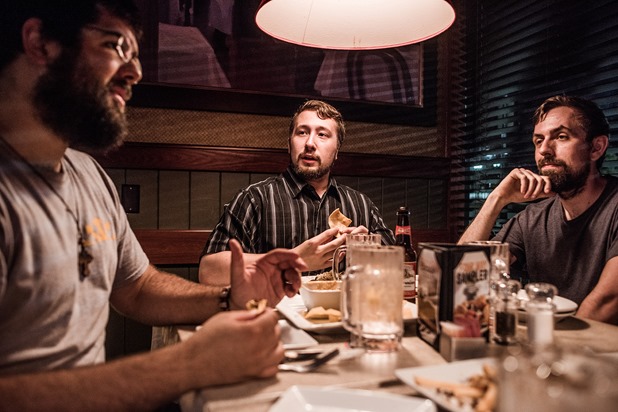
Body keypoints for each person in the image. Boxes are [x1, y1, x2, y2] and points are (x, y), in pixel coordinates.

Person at [0, 1, 308, 410]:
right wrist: (190, 364)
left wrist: (227, 298)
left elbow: (137, 288)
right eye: (116, 46)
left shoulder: (88, 175)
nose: (136, 72)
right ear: (40, 43)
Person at [459, 95, 618, 325]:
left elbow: (608, 300)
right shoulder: (531, 219)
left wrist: (554, 352)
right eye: (538, 140)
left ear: (596, 148)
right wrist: (496, 200)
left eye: (561, 137)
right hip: (546, 346)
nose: (544, 150)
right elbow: (462, 276)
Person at [199, 99, 395, 285]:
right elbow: (209, 272)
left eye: (322, 134)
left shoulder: (360, 204)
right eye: (302, 132)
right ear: (289, 144)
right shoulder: (255, 199)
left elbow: (399, 266)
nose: (310, 143)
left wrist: (370, 249)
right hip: (276, 315)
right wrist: (292, 260)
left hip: (342, 315)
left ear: (337, 151)